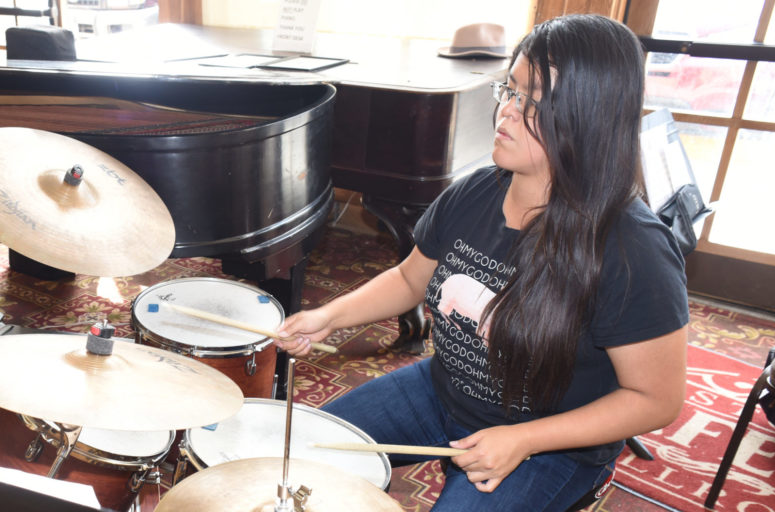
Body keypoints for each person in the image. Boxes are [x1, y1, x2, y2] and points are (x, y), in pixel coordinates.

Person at [276, 14, 689, 512]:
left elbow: (656, 399)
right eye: (508, 90)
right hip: (441, 388)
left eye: (532, 101)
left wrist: (524, 440)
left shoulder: (633, 248)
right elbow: (410, 278)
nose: (507, 113)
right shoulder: (477, 189)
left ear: (589, 115)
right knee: (294, 452)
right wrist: (327, 317)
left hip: (551, 446)